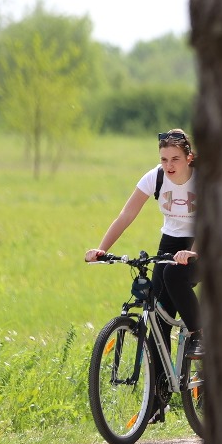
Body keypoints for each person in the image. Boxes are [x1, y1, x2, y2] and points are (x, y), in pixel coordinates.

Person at [85, 129, 200, 423]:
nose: (169, 164)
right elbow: (126, 215)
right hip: (171, 243)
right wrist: (101, 249)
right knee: (158, 316)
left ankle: (200, 337)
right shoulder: (156, 178)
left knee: (175, 276)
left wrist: (192, 252)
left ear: (189, 157)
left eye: (175, 158)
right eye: (164, 159)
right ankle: (158, 402)